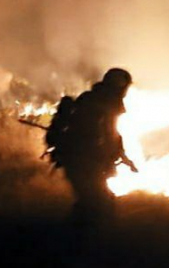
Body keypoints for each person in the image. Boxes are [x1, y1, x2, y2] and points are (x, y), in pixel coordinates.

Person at [53, 68, 137, 220]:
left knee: (93, 200)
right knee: (97, 201)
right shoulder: (106, 103)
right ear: (118, 86)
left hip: (79, 159)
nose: (126, 91)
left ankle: (81, 234)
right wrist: (112, 156)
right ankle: (80, 237)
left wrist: (122, 157)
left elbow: (112, 134)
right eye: (126, 88)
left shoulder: (91, 98)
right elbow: (108, 133)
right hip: (83, 159)